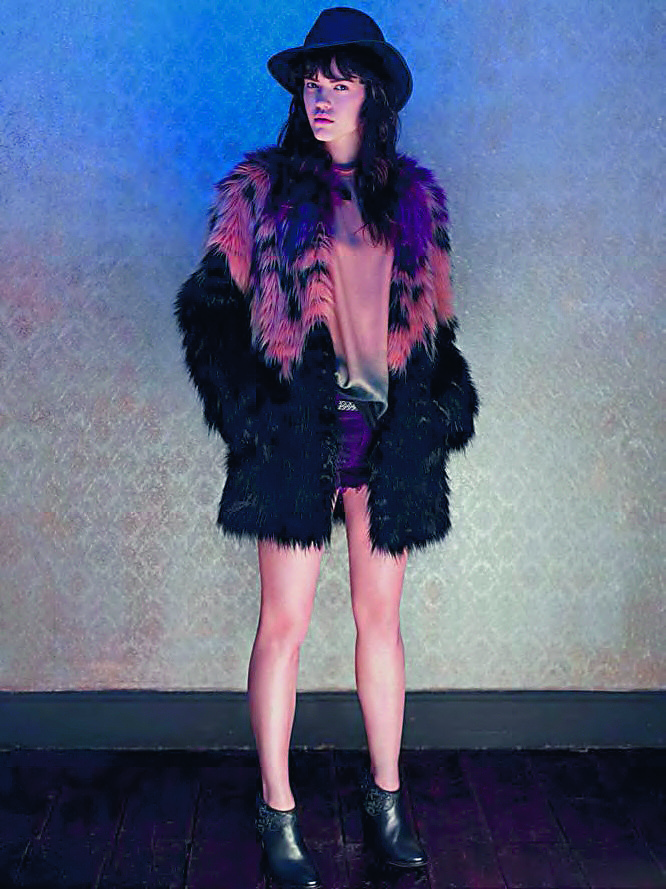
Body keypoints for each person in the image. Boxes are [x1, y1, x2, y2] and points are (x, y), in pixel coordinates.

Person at [175, 7, 478, 887]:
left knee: (381, 621)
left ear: (372, 96)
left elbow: (438, 329)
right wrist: (252, 415)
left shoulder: (413, 201)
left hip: (388, 435)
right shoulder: (260, 192)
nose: (321, 95)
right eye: (313, 81)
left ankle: (387, 801)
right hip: (298, 429)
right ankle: (277, 811)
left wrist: (441, 409)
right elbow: (208, 313)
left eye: (340, 82)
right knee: (285, 623)